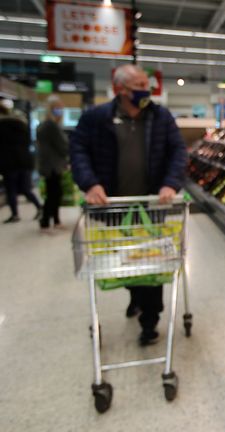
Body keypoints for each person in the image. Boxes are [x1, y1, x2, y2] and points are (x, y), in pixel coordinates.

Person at [70, 64, 187, 346]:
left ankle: (150, 320)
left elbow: (178, 151)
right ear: (120, 89)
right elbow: (78, 151)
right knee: (127, 260)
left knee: (152, 261)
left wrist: (171, 183)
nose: (146, 91)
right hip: (114, 207)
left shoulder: (160, 116)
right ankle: (136, 296)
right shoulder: (96, 118)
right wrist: (90, 183)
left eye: (147, 85)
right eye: (139, 87)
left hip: (152, 204)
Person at [0, 99, 43, 223]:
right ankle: (39, 207)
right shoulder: (22, 125)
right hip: (25, 161)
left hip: (9, 163)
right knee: (25, 188)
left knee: (11, 190)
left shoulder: (2, 126)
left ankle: (15, 214)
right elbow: (29, 142)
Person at [36, 96, 69, 231]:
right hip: (52, 166)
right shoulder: (51, 126)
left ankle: (53, 220)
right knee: (54, 194)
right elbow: (63, 146)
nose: (60, 111)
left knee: (53, 193)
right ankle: (47, 221)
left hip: (47, 165)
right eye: (58, 108)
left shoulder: (43, 125)